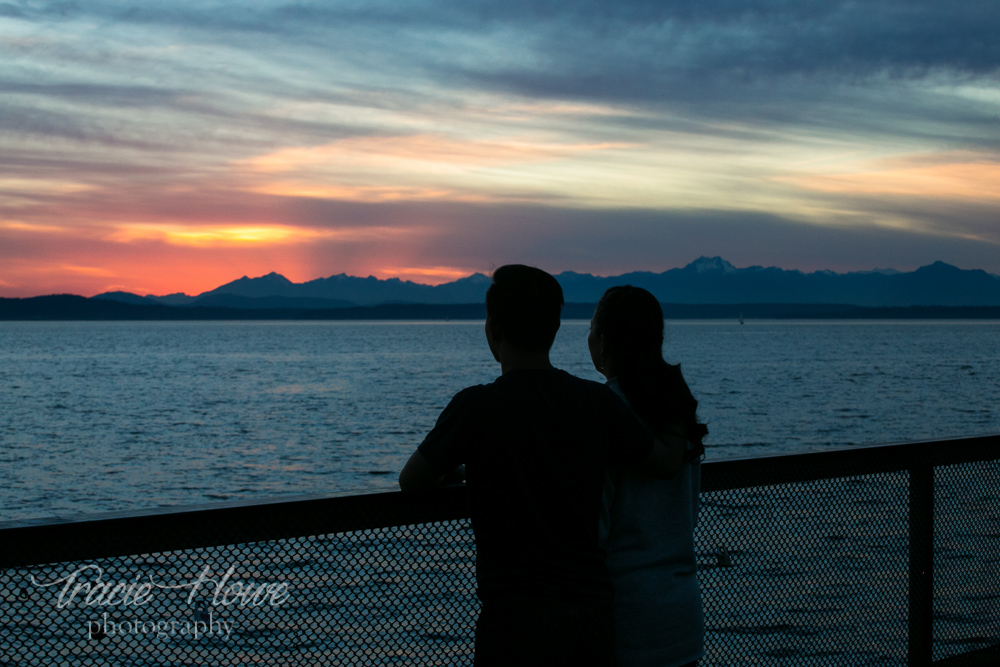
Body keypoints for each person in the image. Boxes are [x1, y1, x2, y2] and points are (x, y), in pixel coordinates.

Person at [399, 265, 686, 667]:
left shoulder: (475, 407)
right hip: (591, 620)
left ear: (493, 330)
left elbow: (411, 480)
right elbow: (665, 462)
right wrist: (679, 405)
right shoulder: (597, 403)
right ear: (554, 330)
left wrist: (460, 471)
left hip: (514, 623)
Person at [588, 285, 708, 667]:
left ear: (604, 342)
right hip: (683, 614)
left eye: (591, 329)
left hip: (627, 619)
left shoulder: (606, 412)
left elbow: (596, 527)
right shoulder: (676, 408)